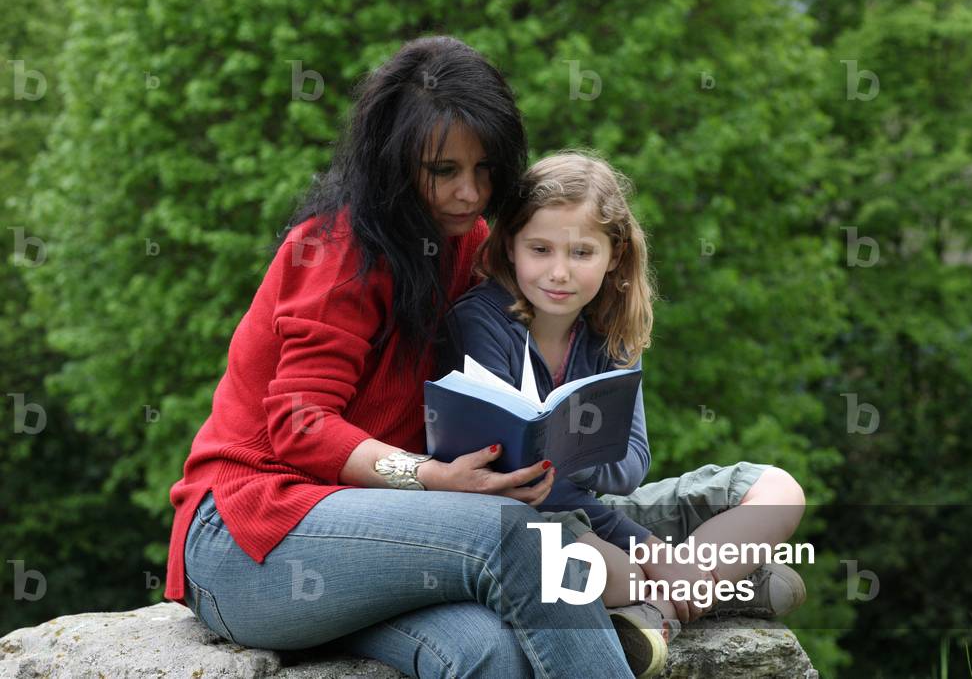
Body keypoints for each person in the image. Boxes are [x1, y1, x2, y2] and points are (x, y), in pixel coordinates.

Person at [164, 36, 638, 678]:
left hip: (373, 550)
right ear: (394, 164)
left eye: (486, 169)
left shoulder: (469, 244)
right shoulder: (337, 251)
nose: (470, 194)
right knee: (522, 543)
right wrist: (430, 477)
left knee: (494, 654)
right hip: (252, 538)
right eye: (443, 171)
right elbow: (300, 424)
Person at [437, 150, 808, 678]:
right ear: (510, 247)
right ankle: (727, 584)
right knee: (594, 567)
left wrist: (568, 453)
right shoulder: (481, 324)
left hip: (603, 508)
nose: (559, 272)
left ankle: (657, 610)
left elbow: (633, 464)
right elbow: (514, 478)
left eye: (582, 252)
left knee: (777, 490)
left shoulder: (611, 327)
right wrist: (647, 546)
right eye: (539, 249)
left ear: (614, 255)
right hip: (526, 522)